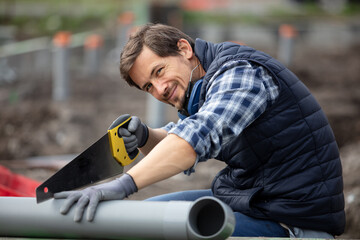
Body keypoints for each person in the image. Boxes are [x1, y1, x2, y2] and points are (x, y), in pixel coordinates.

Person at [54, 23, 345, 238]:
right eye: (148, 87)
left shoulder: (241, 73)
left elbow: (196, 138)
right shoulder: (205, 84)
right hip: (254, 202)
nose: (160, 89)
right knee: (138, 219)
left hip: (293, 222)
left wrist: (121, 185)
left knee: (148, 231)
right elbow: (181, 135)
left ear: (184, 49)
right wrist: (145, 136)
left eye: (159, 72)